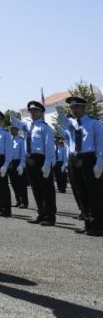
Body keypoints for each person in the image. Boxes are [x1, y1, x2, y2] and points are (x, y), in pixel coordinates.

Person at [56, 96, 103, 235]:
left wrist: (100, 162)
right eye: (71, 107)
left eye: (77, 107)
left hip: (89, 159)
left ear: (84, 108)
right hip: (74, 159)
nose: (74, 110)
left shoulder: (94, 124)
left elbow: (101, 143)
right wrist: (60, 114)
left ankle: (98, 225)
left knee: (93, 192)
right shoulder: (72, 124)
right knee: (80, 192)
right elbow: (66, 126)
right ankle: (87, 223)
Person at [11, 101, 56, 226]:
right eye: (31, 111)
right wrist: (12, 117)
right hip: (30, 159)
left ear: (41, 112)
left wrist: (48, 162)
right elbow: (17, 124)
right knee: (36, 188)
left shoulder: (44, 127)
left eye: (35, 111)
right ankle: (41, 213)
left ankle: (49, 216)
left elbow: (49, 146)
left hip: (41, 159)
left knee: (46, 188)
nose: (33, 113)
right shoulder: (27, 126)